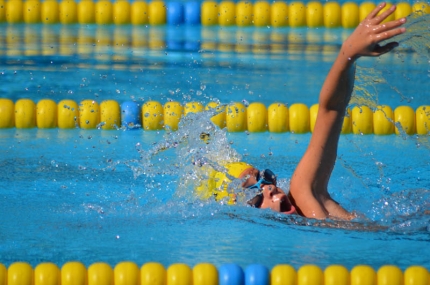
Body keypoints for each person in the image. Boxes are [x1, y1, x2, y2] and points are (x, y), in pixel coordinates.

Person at [199, 3, 407, 220]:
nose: (269, 189)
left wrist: (348, 54)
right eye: (256, 196)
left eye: (265, 179)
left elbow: (331, 108)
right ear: (239, 210)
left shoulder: (303, 192)